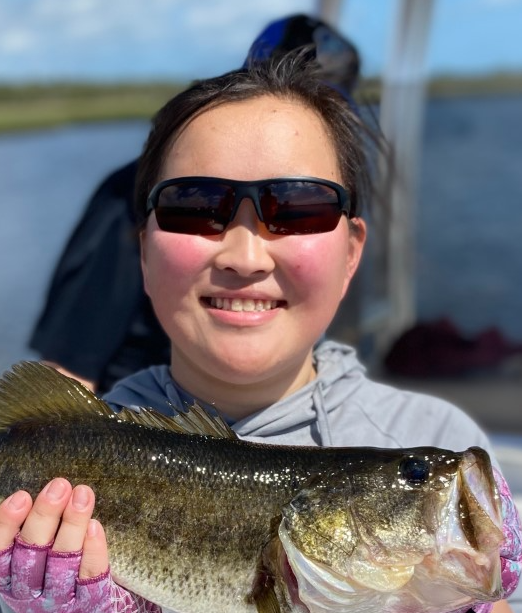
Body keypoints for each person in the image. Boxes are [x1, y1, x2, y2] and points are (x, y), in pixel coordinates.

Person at [0, 53, 522, 613]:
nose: (246, 253)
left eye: (299, 207)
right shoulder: (69, 473)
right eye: (195, 205)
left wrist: (462, 605)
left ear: (352, 251)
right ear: (143, 249)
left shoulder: (433, 439)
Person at [28, 13, 362, 394]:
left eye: (321, 106)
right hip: (139, 427)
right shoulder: (137, 195)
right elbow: (70, 365)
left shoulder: (330, 200)